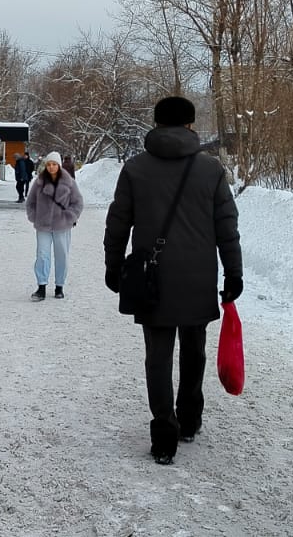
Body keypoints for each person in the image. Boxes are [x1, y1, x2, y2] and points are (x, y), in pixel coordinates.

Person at [103, 96, 242, 465]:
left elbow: (118, 223)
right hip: (198, 276)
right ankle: (191, 417)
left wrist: (113, 265)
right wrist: (233, 271)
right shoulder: (211, 170)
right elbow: (227, 227)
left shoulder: (135, 169)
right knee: (194, 351)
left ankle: (164, 431)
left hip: (153, 278)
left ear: (157, 123)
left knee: (158, 356)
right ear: (190, 126)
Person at [25, 151, 83, 301]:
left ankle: (59, 286)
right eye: (49, 164)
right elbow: (30, 202)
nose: (51, 167)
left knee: (62, 256)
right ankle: (41, 286)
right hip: (43, 225)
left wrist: (69, 216)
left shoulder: (69, 182)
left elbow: (78, 203)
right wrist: (34, 217)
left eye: (54, 164)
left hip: (62, 225)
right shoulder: (39, 182)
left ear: (59, 165)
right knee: (42, 255)